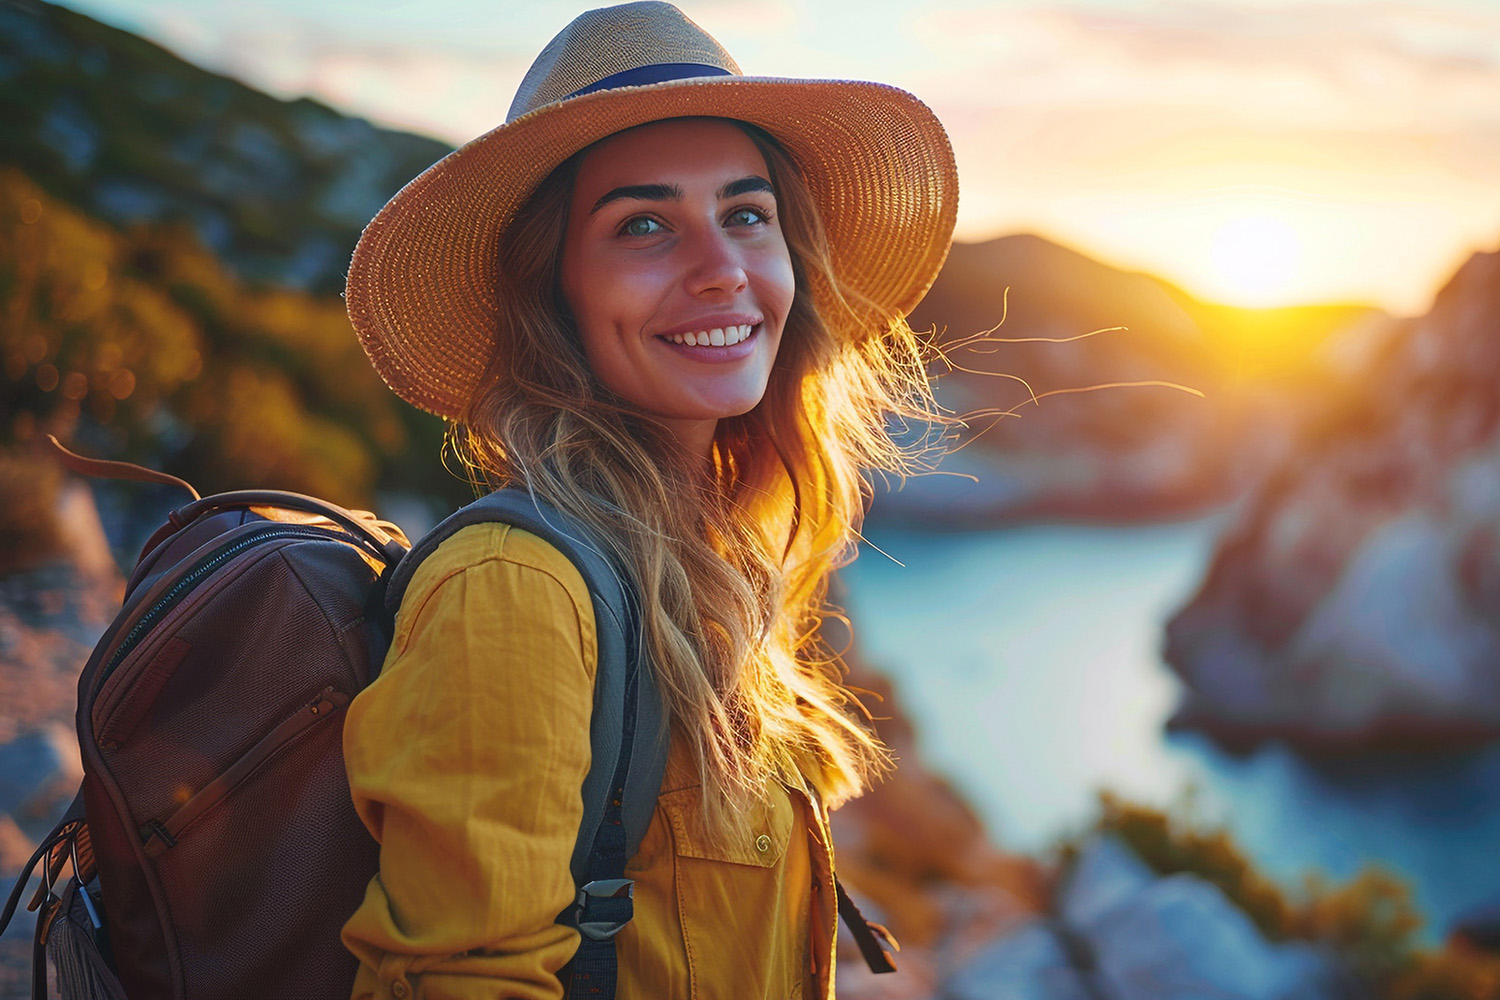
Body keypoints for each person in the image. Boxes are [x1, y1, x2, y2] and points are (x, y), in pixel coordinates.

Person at [337, 3, 957, 998]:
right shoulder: (515, 590)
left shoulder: (710, 562)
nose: (721, 271)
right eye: (645, 225)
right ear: (554, 291)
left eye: (748, 214)